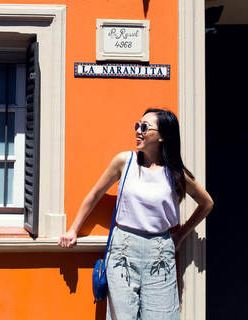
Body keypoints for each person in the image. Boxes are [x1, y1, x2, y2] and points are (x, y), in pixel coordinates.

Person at [58, 108, 214, 320]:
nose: (138, 131)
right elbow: (95, 194)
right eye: (137, 126)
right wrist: (73, 230)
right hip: (123, 249)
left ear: (162, 137)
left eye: (144, 127)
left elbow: (207, 203)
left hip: (160, 251)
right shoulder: (125, 161)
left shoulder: (176, 173)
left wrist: (180, 235)